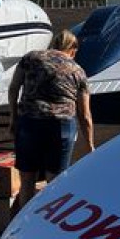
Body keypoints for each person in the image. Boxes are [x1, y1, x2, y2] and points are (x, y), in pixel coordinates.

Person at [8, 29, 94, 216]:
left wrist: (14, 117)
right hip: (60, 126)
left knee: (27, 180)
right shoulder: (77, 71)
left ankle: (24, 223)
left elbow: (13, 88)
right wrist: (90, 146)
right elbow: (85, 114)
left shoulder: (30, 58)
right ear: (73, 49)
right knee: (54, 182)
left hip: (29, 121)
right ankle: (50, 221)